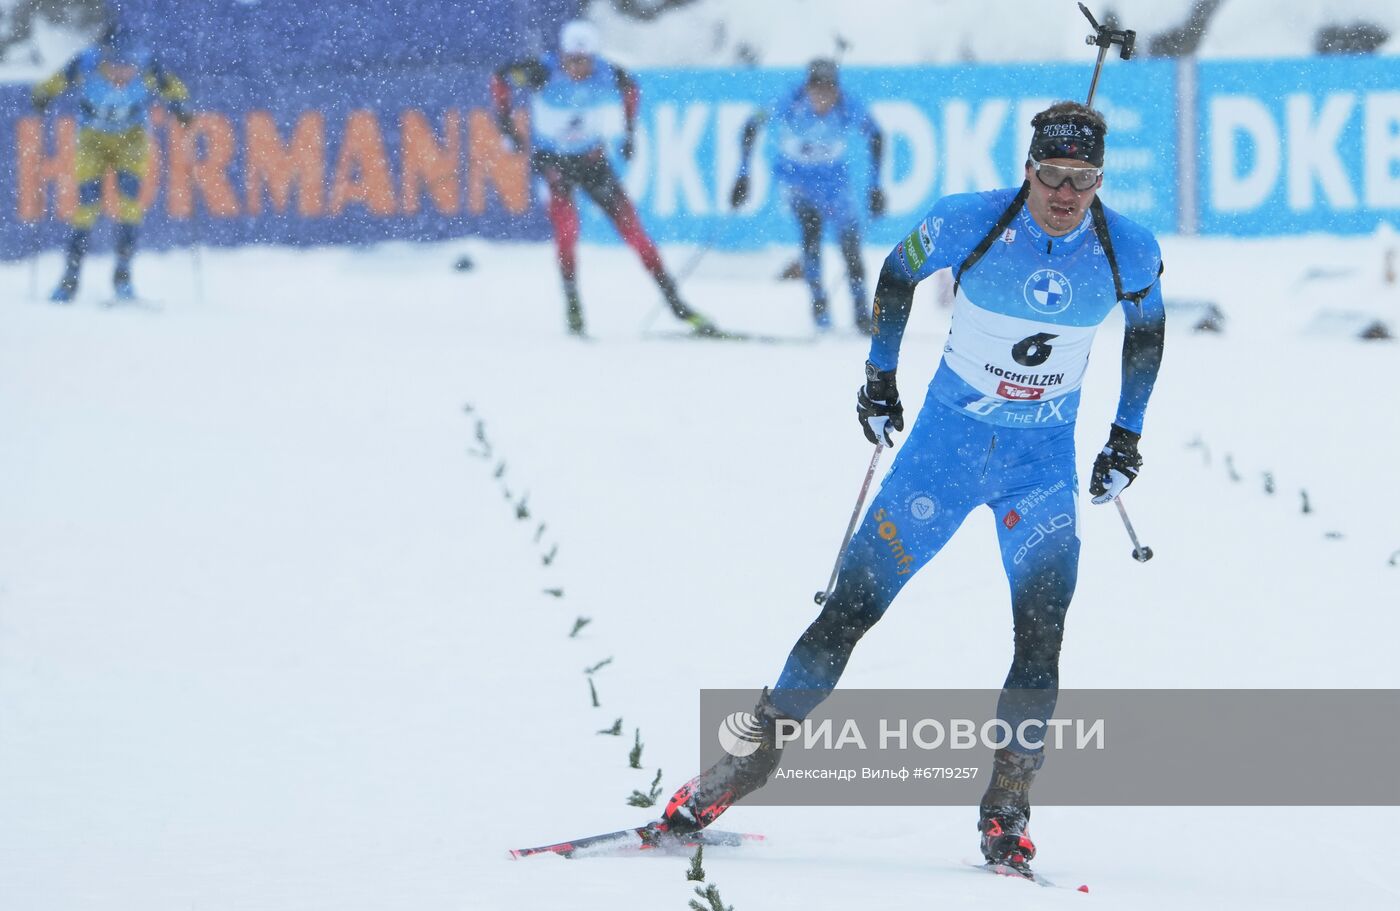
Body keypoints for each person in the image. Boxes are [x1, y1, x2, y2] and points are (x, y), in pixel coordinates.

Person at [653, 101, 1166, 870]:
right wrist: (879, 378)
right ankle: (745, 763)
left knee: (1041, 637)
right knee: (848, 613)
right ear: (1027, 171)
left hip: (1041, 470)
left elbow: (1148, 329)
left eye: (1082, 180)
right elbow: (897, 272)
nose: (1065, 194)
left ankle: (1007, 805)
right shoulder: (973, 220)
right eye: (1052, 176)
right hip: (942, 457)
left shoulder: (1126, 246)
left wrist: (1126, 433)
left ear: (1100, 180)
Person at [490, 19, 718, 338]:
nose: (579, 68)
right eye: (572, 61)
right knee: (567, 232)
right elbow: (500, 79)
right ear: (562, 55)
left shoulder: (605, 71)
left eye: (585, 61)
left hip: (591, 160)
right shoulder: (540, 71)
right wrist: (506, 126)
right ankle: (573, 305)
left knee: (635, 233)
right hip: (554, 164)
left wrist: (628, 131)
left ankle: (677, 304)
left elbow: (630, 88)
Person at [31, 21, 191, 303]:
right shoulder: (87, 63)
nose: (122, 74)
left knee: (130, 206)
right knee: (87, 208)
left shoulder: (146, 68)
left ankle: (123, 278)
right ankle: (70, 279)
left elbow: (172, 87)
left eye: (128, 66)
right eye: (116, 65)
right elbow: (56, 81)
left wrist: (180, 106)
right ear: (104, 58)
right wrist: (44, 95)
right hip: (92, 140)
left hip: (132, 140)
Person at [729, 59, 885, 334]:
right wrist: (743, 174)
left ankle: (861, 313)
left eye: (829, 90)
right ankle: (819, 308)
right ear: (808, 88)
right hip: (795, 180)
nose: (823, 97)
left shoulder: (847, 105)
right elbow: (752, 124)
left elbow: (876, 135)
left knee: (850, 242)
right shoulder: (790, 100)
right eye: (817, 90)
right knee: (810, 230)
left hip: (833, 182)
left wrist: (875, 186)